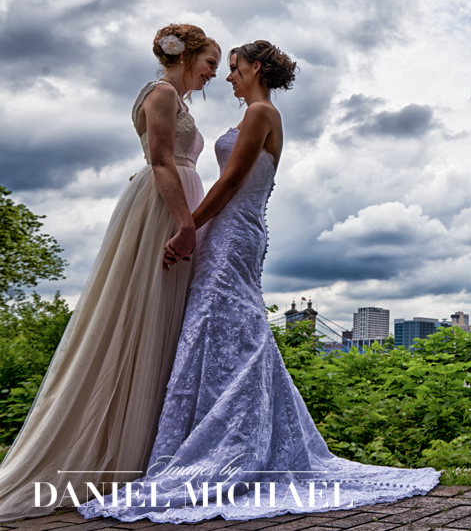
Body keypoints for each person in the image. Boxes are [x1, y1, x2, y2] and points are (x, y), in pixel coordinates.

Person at [79, 41, 438, 524]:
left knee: (226, 328)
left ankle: (231, 446)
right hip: (232, 228)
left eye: (234, 67)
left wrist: (188, 229)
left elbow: (230, 182)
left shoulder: (260, 113)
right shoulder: (258, 114)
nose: (228, 76)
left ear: (256, 67)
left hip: (232, 230)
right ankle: (228, 437)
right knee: (229, 330)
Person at [0, 24, 221, 521]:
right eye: (209, 62)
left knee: (167, 322)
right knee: (146, 314)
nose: (212, 73)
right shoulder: (161, 93)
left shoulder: (175, 97)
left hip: (176, 204)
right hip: (164, 208)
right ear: (186, 56)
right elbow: (161, 162)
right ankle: (119, 455)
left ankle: (152, 448)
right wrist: (185, 224)